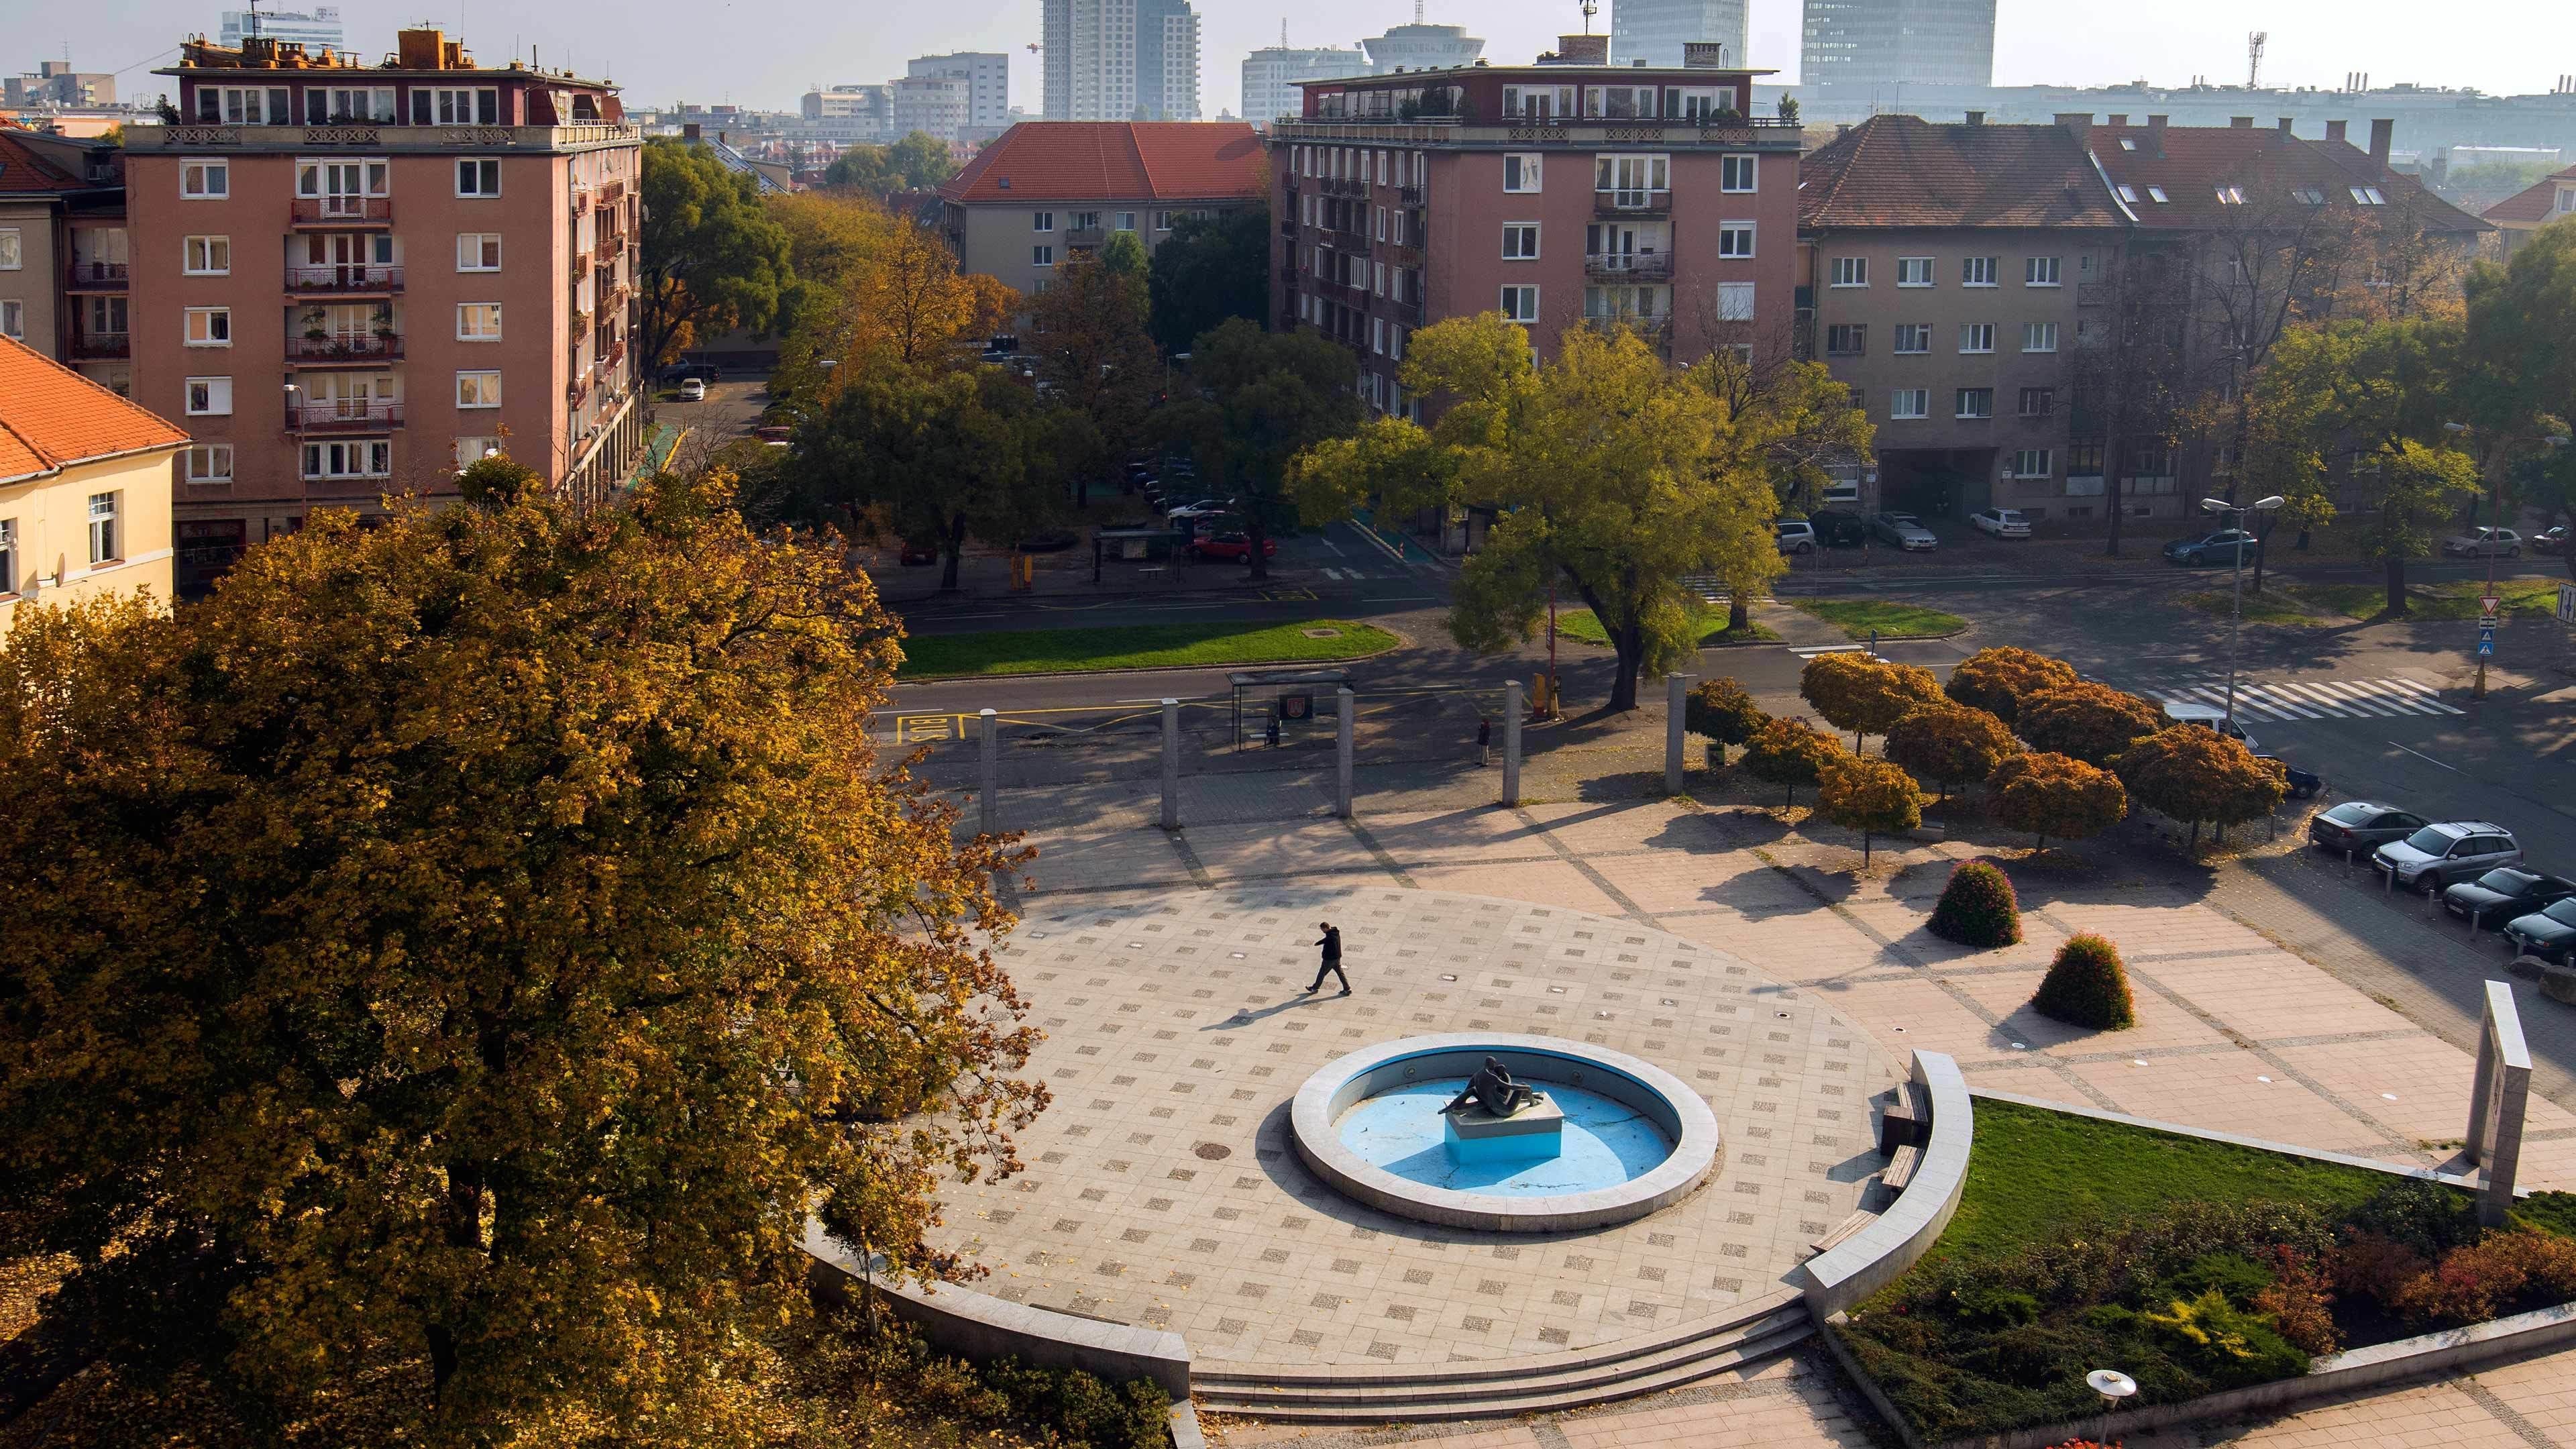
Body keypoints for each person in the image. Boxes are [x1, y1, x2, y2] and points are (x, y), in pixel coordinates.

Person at [1443, 1057, 1538, 1118]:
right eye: (1495, 1064)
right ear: (1492, 1064)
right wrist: (1527, 1087)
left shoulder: (1477, 1074)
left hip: (1488, 1106)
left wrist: (1461, 1103)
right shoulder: (1491, 1077)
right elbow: (1511, 1087)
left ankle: (1453, 1106)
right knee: (1522, 1086)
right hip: (1503, 1110)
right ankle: (1533, 1101)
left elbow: (1467, 1090)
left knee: (1473, 1090)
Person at [1306, 920, 1348, 996]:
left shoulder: (1331, 937)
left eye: (1322, 930)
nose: (1322, 931)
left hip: (1330, 959)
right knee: (1340, 973)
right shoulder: (1334, 933)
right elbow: (1327, 940)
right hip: (1337, 958)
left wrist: (1325, 955)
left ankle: (1315, 988)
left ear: (1325, 928)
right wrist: (1320, 942)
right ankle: (1347, 989)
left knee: (1322, 973)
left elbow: (1330, 944)